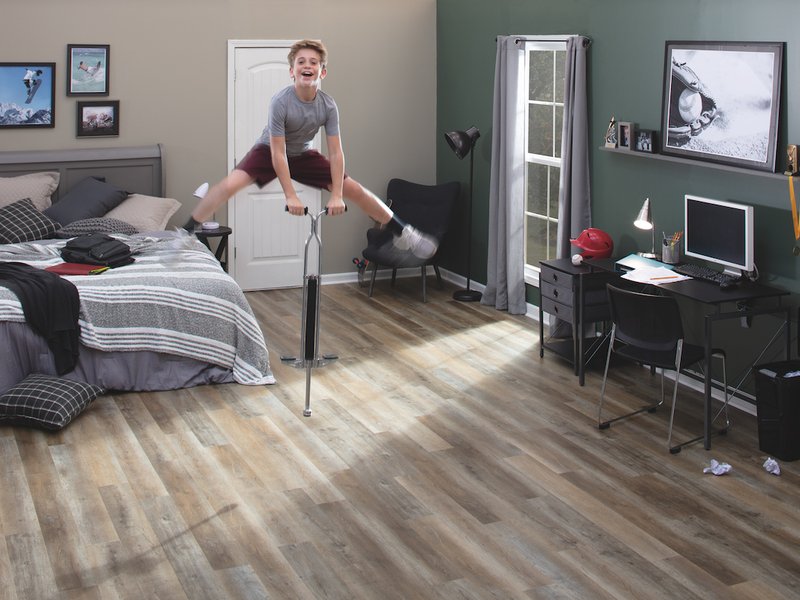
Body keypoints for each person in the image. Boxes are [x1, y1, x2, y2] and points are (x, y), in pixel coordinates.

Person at [183, 39, 437, 259]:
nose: (307, 65)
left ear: (322, 72)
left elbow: (336, 152)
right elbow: (277, 153)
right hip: (269, 150)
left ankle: (404, 232)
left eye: (313, 62)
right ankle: (186, 234)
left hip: (303, 154)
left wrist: (337, 193)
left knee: (356, 190)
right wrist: (291, 195)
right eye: (301, 62)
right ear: (292, 72)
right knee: (229, 185)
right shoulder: (280, 102)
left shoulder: (327, 106)